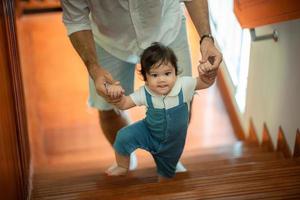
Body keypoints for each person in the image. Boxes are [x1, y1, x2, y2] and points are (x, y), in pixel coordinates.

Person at [60, 0, 222, 171]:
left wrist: (207, 41)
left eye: (166, 75)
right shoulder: (141, 96)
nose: (161, 82)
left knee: (181, 108)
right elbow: (75, 19)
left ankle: (168, 159)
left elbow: (199, 84)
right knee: (108, 111)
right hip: (108, 40)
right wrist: (97, 71)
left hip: (167, 28)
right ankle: (125, 163)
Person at [104, 42, 217, 180]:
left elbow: (205, 83)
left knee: (165, 178)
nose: (162, 79)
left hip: (172, 145)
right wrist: (116, 95)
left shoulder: (184, 85)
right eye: (154, 75)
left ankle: (164, 177)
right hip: (148, 132)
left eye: (167, 73)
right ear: (146, 79)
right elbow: (124, 103)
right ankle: (122, 165)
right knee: (123, 136)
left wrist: (208, 75)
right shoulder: (145, 92)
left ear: (176, 73)